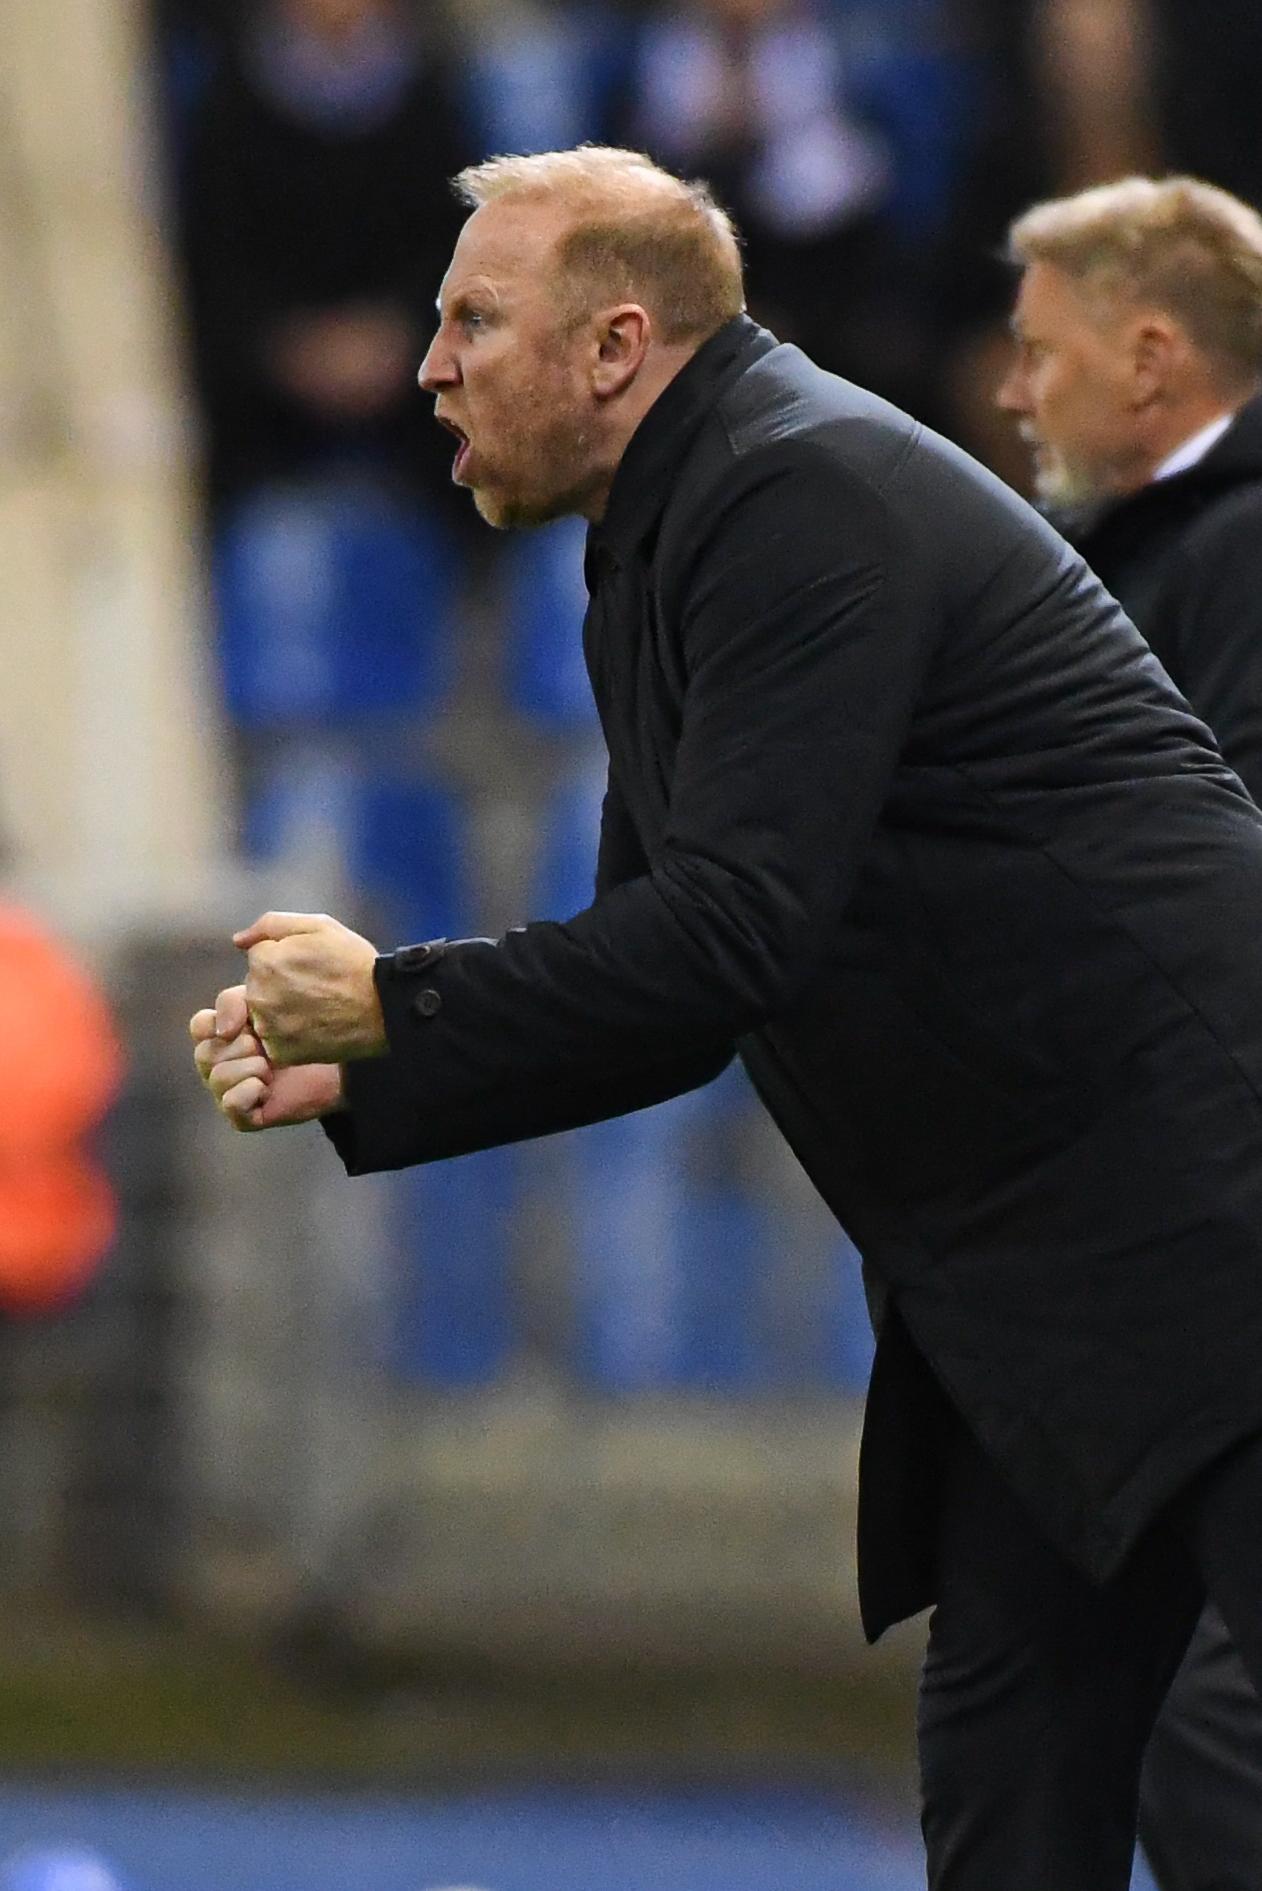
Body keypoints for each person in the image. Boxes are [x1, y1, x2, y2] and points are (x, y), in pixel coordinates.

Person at [192, 146, 1262, 1887]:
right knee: (1010, 1793)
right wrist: (375, 1063)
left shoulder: (795, 494)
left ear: (616, 345)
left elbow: (727, 939)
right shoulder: (674, 529)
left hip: (1210, 1228)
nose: (427, 365)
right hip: (1046, 1276)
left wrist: (396, 997)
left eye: (474, 319)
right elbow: (662, 981)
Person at [996, 173, 1262, 1891]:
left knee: (1202, 1734)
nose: (1011, 392)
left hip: (1209, 1216)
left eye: (1039, 353)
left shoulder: (1232, 556)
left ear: (1150, 358)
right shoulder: (1154, 549)